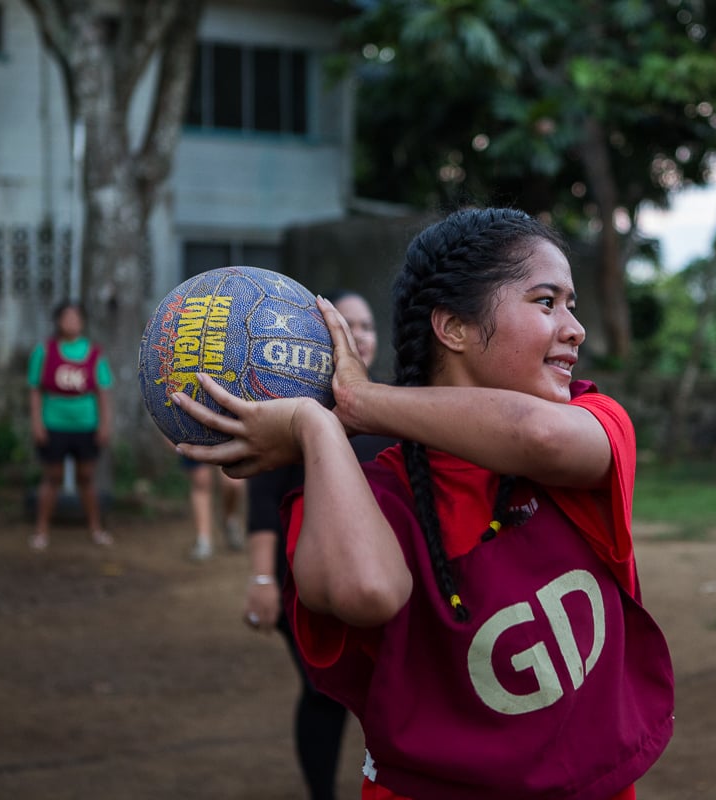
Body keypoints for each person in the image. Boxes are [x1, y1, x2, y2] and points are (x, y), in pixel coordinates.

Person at [174, 208, 675, 799]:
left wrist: (361, 402)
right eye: (546, 302)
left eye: (572, 305)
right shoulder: (367, 491)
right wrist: (318, 426)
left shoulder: (593, 421)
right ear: (454, 327)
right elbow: (367, 591)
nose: (574, 328)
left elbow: (536, 436)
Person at [242, 289, 395, 800]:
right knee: (322, 694)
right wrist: (263, 579)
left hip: (386, 586)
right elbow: (263, 503)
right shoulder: (290, 416)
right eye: (344, 326)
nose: (358, 337)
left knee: (394, 697)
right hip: (308, 588)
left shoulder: (398, 413)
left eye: (366, 326)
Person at [27, 299, 114, 551]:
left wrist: (105, 423)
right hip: (54, 423)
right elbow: (34, 390)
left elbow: (103, 391)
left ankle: (96, 529)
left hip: (86, 424)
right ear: (58, 321)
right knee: (52, 477)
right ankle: (41, 530)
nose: (71, 322)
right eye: (67, 317)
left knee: (86, 477)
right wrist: (37, 423)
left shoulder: (94, 353)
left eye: (76, 318)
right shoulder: (44, 351)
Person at [184, 458, 247, 562]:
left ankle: (229, 520)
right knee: (201, 480)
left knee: (233, 483)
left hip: (225, 441)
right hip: (195, 441)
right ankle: (203, 540)